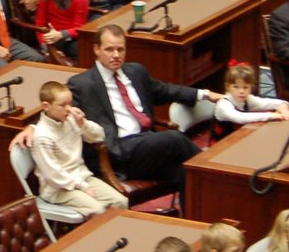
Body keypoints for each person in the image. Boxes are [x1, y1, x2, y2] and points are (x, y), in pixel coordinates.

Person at [67, 24, 218, 187]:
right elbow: (63, 115)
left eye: (120, 49)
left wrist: (205, 94)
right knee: (174, 138)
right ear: (97, 49)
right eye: (109, 50)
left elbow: (165, 90)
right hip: (118, 151)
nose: (116, 55)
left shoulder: (136, 71)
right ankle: (215, 171)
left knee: (183, 173)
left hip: (146, 145)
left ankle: (208, 193)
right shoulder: (81, 84)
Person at [26, 80, 126, 218]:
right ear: (46, 106)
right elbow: (54, 174)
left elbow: (99, 136)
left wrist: (83, 124)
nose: (68, 109)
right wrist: (83, 187)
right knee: (98, 211)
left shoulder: (71, 119)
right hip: (58, 189)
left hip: (82, 177)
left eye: (70, 103)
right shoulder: (42, 136)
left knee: (120, 202)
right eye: (62, 105)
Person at [212, 61, 289, 140]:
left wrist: (284, 108)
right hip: (222, 144)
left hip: (240, 139)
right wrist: (271, 115)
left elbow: (279, 102)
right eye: (236, 87)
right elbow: (240, 118)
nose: (241, 91)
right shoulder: (224, 105)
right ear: (227, 87)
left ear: (251, 87)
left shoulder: (248, 99)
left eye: (245, 87)